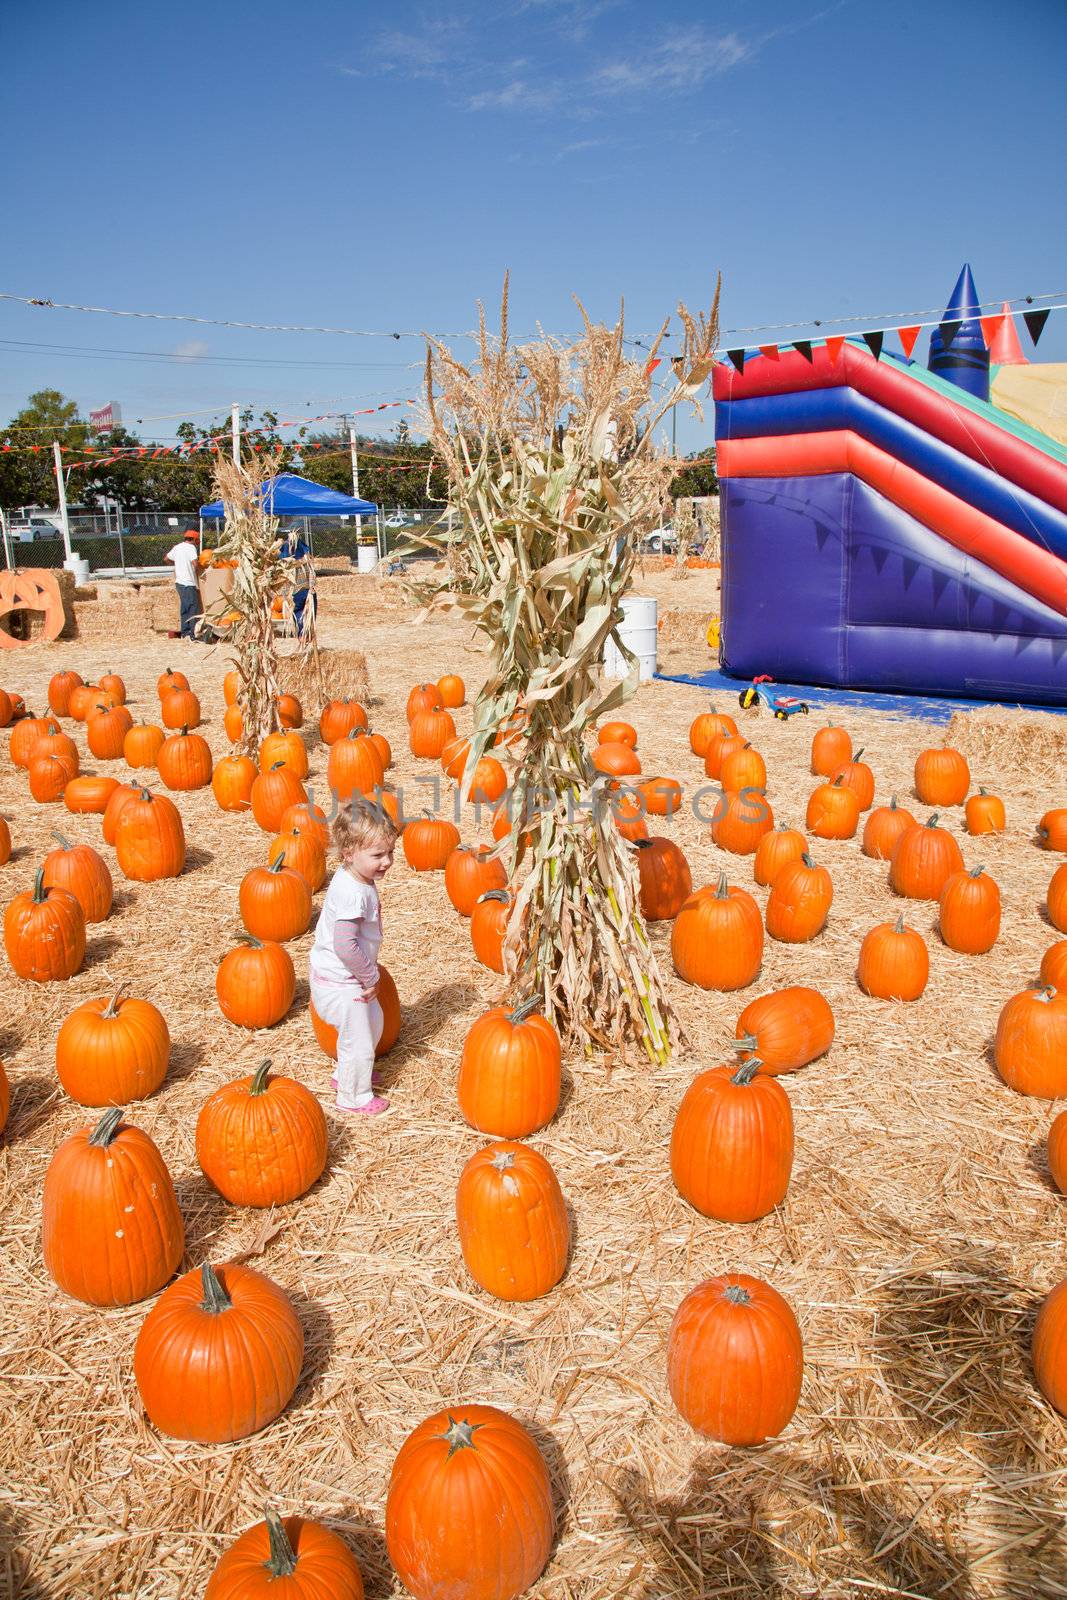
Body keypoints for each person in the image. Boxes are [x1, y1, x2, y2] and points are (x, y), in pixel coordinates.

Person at [309, 802, 398, 1117]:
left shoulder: (355, 878)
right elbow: (345, 945)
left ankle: (347, 1074)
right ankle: (353, 1096)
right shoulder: (353, 893)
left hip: (347, 978)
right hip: (340, 983)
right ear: (348, 853)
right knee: (359, 1040)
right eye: (377, 855)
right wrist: (371, 976)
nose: (387, 861)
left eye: (390, 852)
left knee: (374, 1025)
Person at [165, 528, 203, 640]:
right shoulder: (191, 548)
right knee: (193, 608)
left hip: (179, 582)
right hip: (188, 582)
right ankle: (192, 633)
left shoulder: (177, 547)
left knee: (185, 607)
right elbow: (195, 564)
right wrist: (198, 573)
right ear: (195, 540)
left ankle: (185, 632)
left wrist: (177, 564)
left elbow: (166, 558)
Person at [279, 524, 314, 635]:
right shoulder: (305, 563)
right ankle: (305, 633)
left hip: (294, 591)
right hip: (305, 590)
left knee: (297, 611)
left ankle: (301, 633)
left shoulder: (286, 565)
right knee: (305, 612)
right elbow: (312, 575)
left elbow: (283, 581)